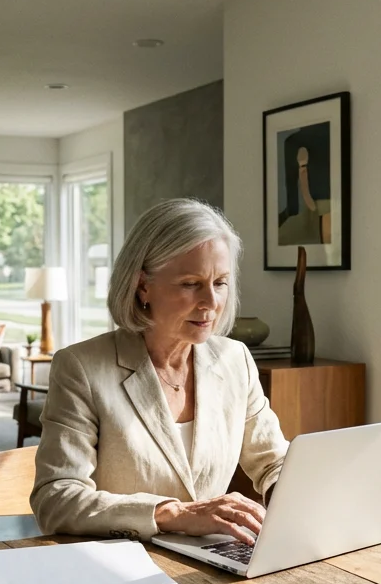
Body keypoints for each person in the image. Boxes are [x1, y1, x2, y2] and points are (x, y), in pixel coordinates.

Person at [31, 199, 289, 544]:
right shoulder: (81, 368)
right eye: (190, 283)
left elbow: (275, 462)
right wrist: (172, 514)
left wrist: (292, 497)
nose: (211, 302)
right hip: (119, 566)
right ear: (142, 286)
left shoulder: (235, 360)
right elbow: (55, 500)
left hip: (212, 563)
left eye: (221, 283)